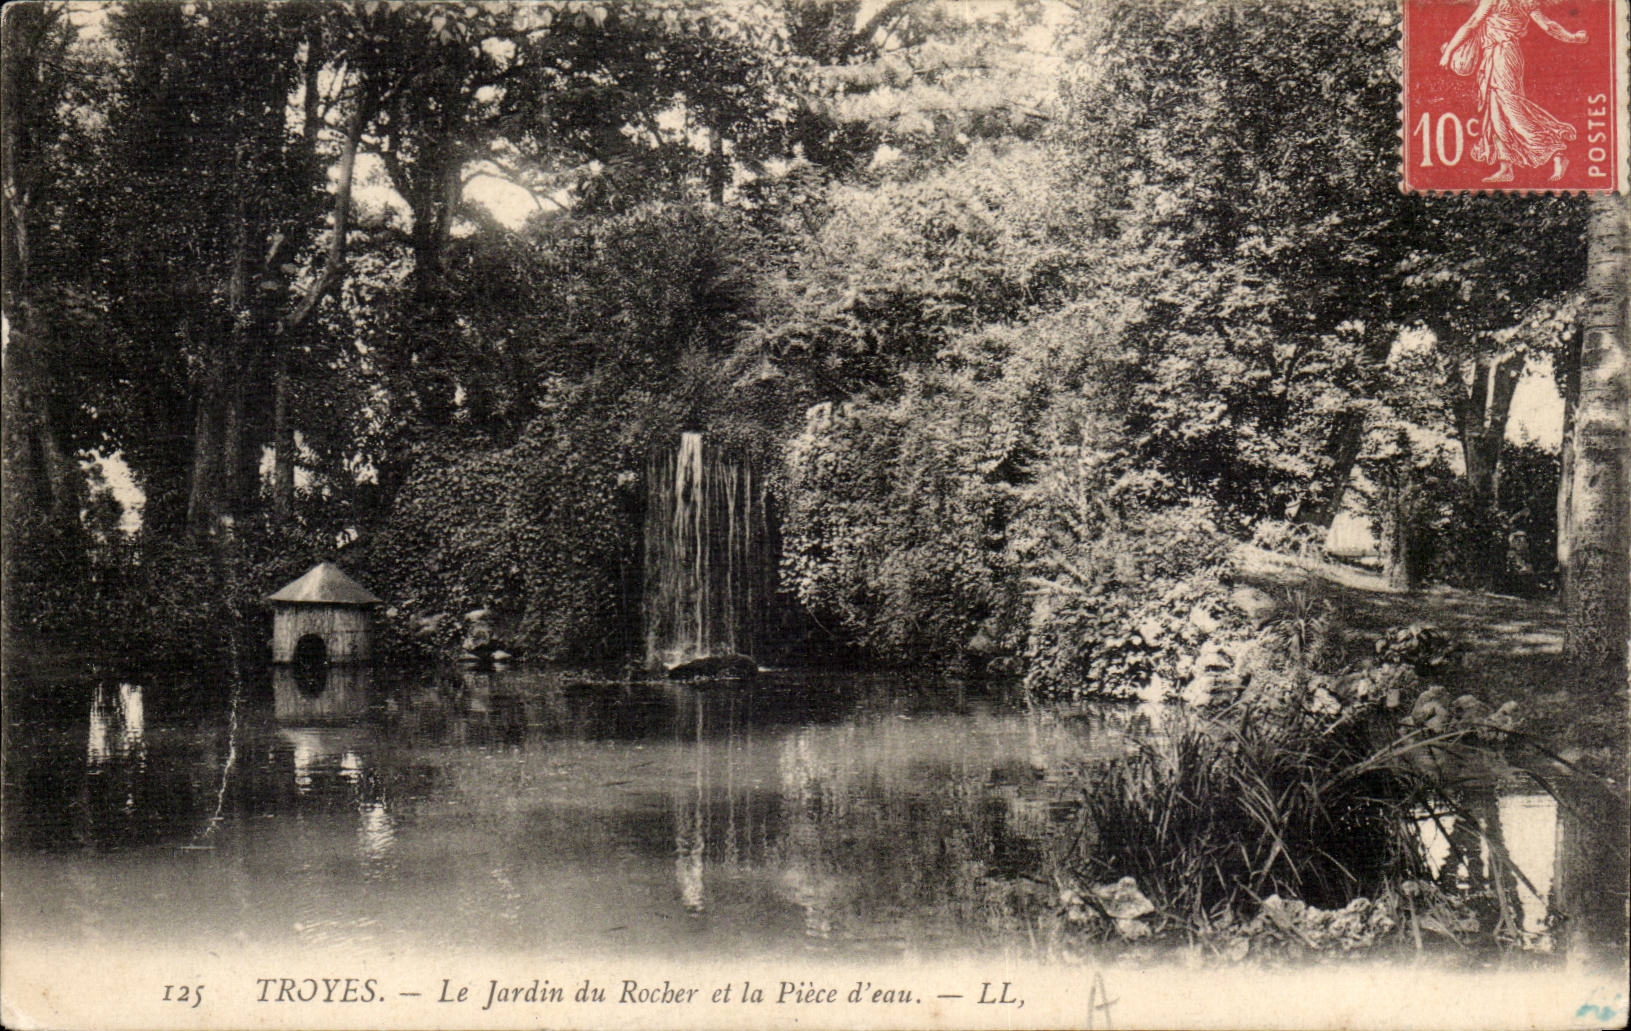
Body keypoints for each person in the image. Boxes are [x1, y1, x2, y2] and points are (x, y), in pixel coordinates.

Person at [1439, 0, 1588, 183]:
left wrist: (1448, 52)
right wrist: (1572, 37)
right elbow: (1548, 26)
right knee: (1496, 111)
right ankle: (1506, 167)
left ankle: (1556, 151)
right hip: (1502, 55)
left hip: (1502, 56)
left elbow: (1472, 23)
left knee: (1510, 110)